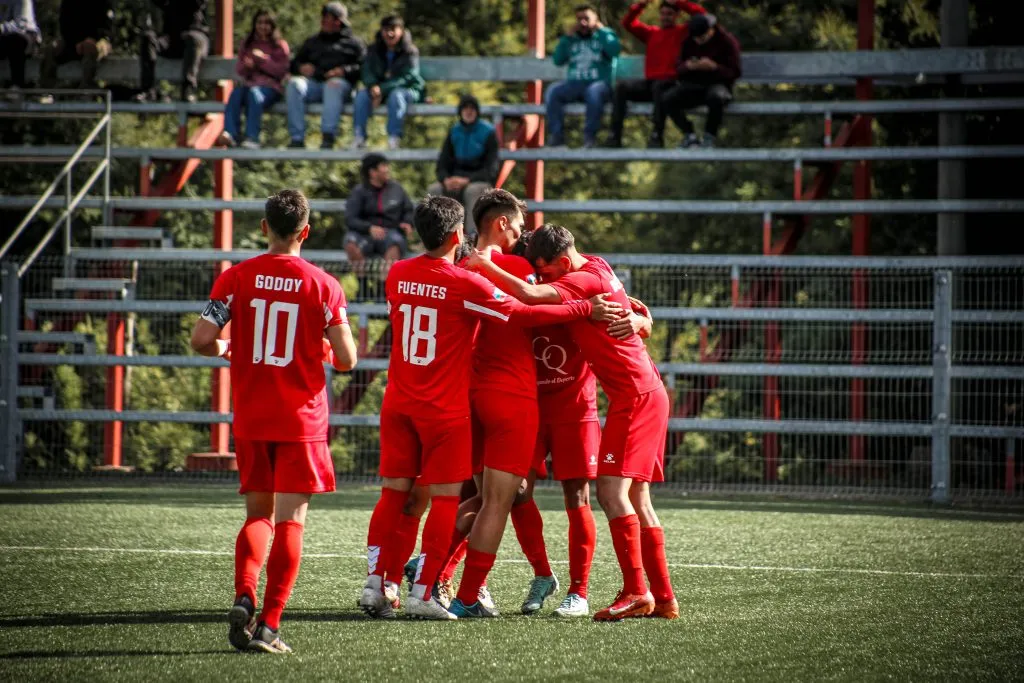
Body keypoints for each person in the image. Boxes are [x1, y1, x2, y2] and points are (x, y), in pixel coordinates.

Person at [358, 195, 618, 620]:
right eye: (517, 225)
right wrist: (591, 307)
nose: (521, 233)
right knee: (486, 500)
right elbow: (523, 308)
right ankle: (450, 591)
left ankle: (385, 582)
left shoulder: (404, 272)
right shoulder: (490, 272)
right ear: (493, 225)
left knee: (417, 498)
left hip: (429, 398)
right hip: (491, 400)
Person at [469, 224, 678, 622]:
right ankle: (663, 597)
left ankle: (636, 591)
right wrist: (640, 319)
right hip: (645, 392)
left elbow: (529, 295)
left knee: (611, 494)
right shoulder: (596, 264)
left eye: (546, 271)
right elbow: (628, 308)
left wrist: (484, 264)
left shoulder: (579, 281)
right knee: (638, 499)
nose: (541, 278)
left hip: (634, 398)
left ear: (563, 263)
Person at [190, 189, 358, 653]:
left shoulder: (234, 278)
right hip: (300, 421)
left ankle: (245, 592)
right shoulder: (324, 285)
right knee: (292, 522)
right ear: (306, 232)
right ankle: (269, 625)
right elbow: (347, 359)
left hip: (252, 415)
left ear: (264, 227)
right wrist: (324, 348)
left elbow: (201, 339)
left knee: (257, 515)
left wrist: (229, 347)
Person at [607, 0, 706, 148]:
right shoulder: (651, 33)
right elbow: (627, 23)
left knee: (659, 86)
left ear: (677, 16)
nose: (665, 17)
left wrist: (679, 2)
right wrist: (642, 4)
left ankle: (656, 135)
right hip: (651, 84)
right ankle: (615, 135)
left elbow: (702, 16)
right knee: (622, 87)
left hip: (670, 84)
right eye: (663, 14)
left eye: (670, 14)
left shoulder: (682, 33)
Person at [285, 2, 366, 150]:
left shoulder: (354, 43)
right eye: (323, 18)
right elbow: (294, 63)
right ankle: (297, 138)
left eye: (328, 18)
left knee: (333, 84)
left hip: (341, 88)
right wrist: (301, 68)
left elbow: (363, 66)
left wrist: (344, 71)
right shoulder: (312, 42)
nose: (324, 21)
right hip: (315, 84)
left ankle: (328, 136)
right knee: (294, 84)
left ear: (339, 21)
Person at [655, 13, 741, 148]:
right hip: (694, 85)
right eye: (696, 38)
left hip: (718, 85)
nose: (698, 41)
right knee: (667, 99)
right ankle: (689, 134)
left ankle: (709, 137)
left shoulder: (726, 41)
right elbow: (678, 68)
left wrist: (715, 67)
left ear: (710, 30)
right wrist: (688, 67)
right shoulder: (688, 41)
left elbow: (735, 72)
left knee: (716, 97)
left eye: (702, 38)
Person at [545, 4, 621, 148]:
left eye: (586, 18)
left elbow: (615, 51)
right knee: (553, 91)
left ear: (595, 19)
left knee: (593, 92)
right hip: (575, 85)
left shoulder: (605, 35)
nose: (583, 23)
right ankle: (556, 137)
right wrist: (566, 38)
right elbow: (558, 60)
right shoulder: (571, 40)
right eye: (579, 19)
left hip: (600, 85)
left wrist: (601, 31)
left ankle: (589, 138)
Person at [427, 94, 499, 242]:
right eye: (465, 108)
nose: (468, 111)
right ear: (460, 112)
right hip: (455, 180)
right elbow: (442, 163)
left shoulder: (488, 132)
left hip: (479, 180)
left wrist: (467, 180)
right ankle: (437, 237)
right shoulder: (454, 132)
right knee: (435, 190)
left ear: (477, 111)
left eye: (472, 108)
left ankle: (473, 239)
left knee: (472, 191)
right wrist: (445, 179)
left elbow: (491, 170)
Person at [216, 9, 289, 150]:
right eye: (260, 23)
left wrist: (262, 60)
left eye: (267, 23)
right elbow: (240, 70)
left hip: (271, 88)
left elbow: (281, 71)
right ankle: (231, 134)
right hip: (249, 85)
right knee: (235, 93)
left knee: (254, 94)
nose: (263, 26)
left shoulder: (279, 45)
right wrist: (248, 66)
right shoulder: (248, 44)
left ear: (272, 26)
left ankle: (252, 137)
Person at [344, 153, 415, 294]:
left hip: (391, 232)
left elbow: (408, 210)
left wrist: (407, 223)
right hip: (364, 234)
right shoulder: (359, 192)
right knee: (350, 243)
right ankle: (363, 287)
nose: (387, 169)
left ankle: (383, 289)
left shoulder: (397, 189)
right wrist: (369, 228)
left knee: (395, 244)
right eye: (383, 166)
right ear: (372, 172)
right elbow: (350, 218)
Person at [351, 15, 425, 151]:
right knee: (361, 96)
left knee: (396, 96)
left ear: (401, 30)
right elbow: (366, 71)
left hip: (407, 90)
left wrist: (382, 89)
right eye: (386, 30)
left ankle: (394, 138)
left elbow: (408, 77)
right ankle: (359, 137)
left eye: (393, 29)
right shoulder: (373, 50)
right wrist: (373, 86)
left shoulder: (410, 51)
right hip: (379, 90)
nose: (389, 33)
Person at [138, 0, 209, 103]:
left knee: (192, 37)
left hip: (196, 38)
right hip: (172, 39)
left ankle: (188, 90)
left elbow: (198, 3)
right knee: (148, 38)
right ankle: (148, 91)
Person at [38, 0, 113, 92]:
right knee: (51, 48)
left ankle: (86, 90)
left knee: (90, 47)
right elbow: (64, 24)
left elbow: (107, 27)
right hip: (73, 41)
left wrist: (92, 38)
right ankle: (46, 91)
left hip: (98, 40)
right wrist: (75, 41)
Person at [0, 0, 39, 94]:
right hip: (3, 38)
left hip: (25, 37)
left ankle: (17, 86)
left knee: (15, 40)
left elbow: (20, 26)